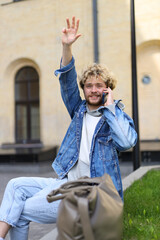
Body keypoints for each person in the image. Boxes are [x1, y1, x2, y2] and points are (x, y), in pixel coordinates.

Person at [0, 16, 137, 240]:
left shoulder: (116, 117)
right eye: (88, 85)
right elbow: (67, 81)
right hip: (66, 183)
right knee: (16, 186)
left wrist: (111, 108)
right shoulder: (78, 110)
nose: (93, 90)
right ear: (83, 89)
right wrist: (66, 46)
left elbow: (126, 142)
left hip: (94, 195)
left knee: (20, 210)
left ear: (108, 89)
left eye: (99, 86)